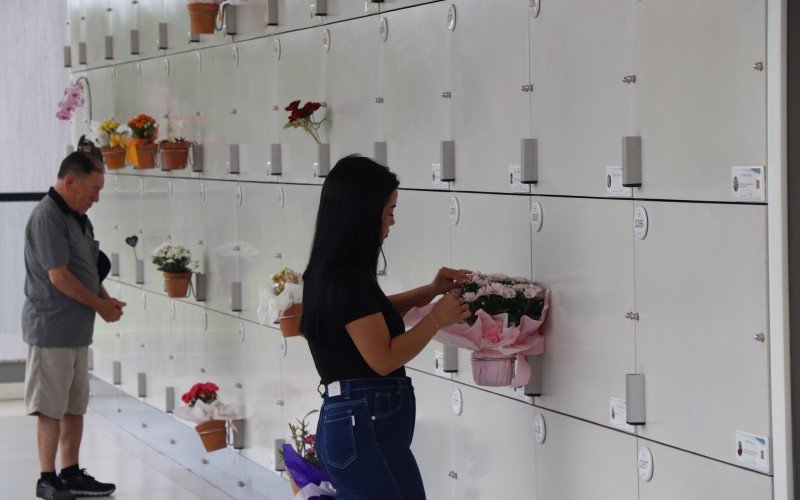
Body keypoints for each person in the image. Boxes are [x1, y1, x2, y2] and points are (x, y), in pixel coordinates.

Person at [301, 155, 471, 499]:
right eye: (389, 211)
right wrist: (438, 317)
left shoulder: (331, 270)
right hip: (364, 426)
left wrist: (429, 291)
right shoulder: (347, 277)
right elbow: (383, 357)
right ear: (364, 213)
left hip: (352, 423)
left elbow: (362, 319)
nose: (392, 223)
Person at [22, 151, 126, 500]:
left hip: (78, 332)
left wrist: (105, 299)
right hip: (52, 331)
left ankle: (70, 472)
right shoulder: (47, 217)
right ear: (70, 180)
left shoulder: (80, 218)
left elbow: (88, 269)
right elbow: (59, 277)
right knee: (50, 408)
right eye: (93, 189)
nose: (96, 197)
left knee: (74, 405)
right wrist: (99, 306)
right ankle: (46, 479)